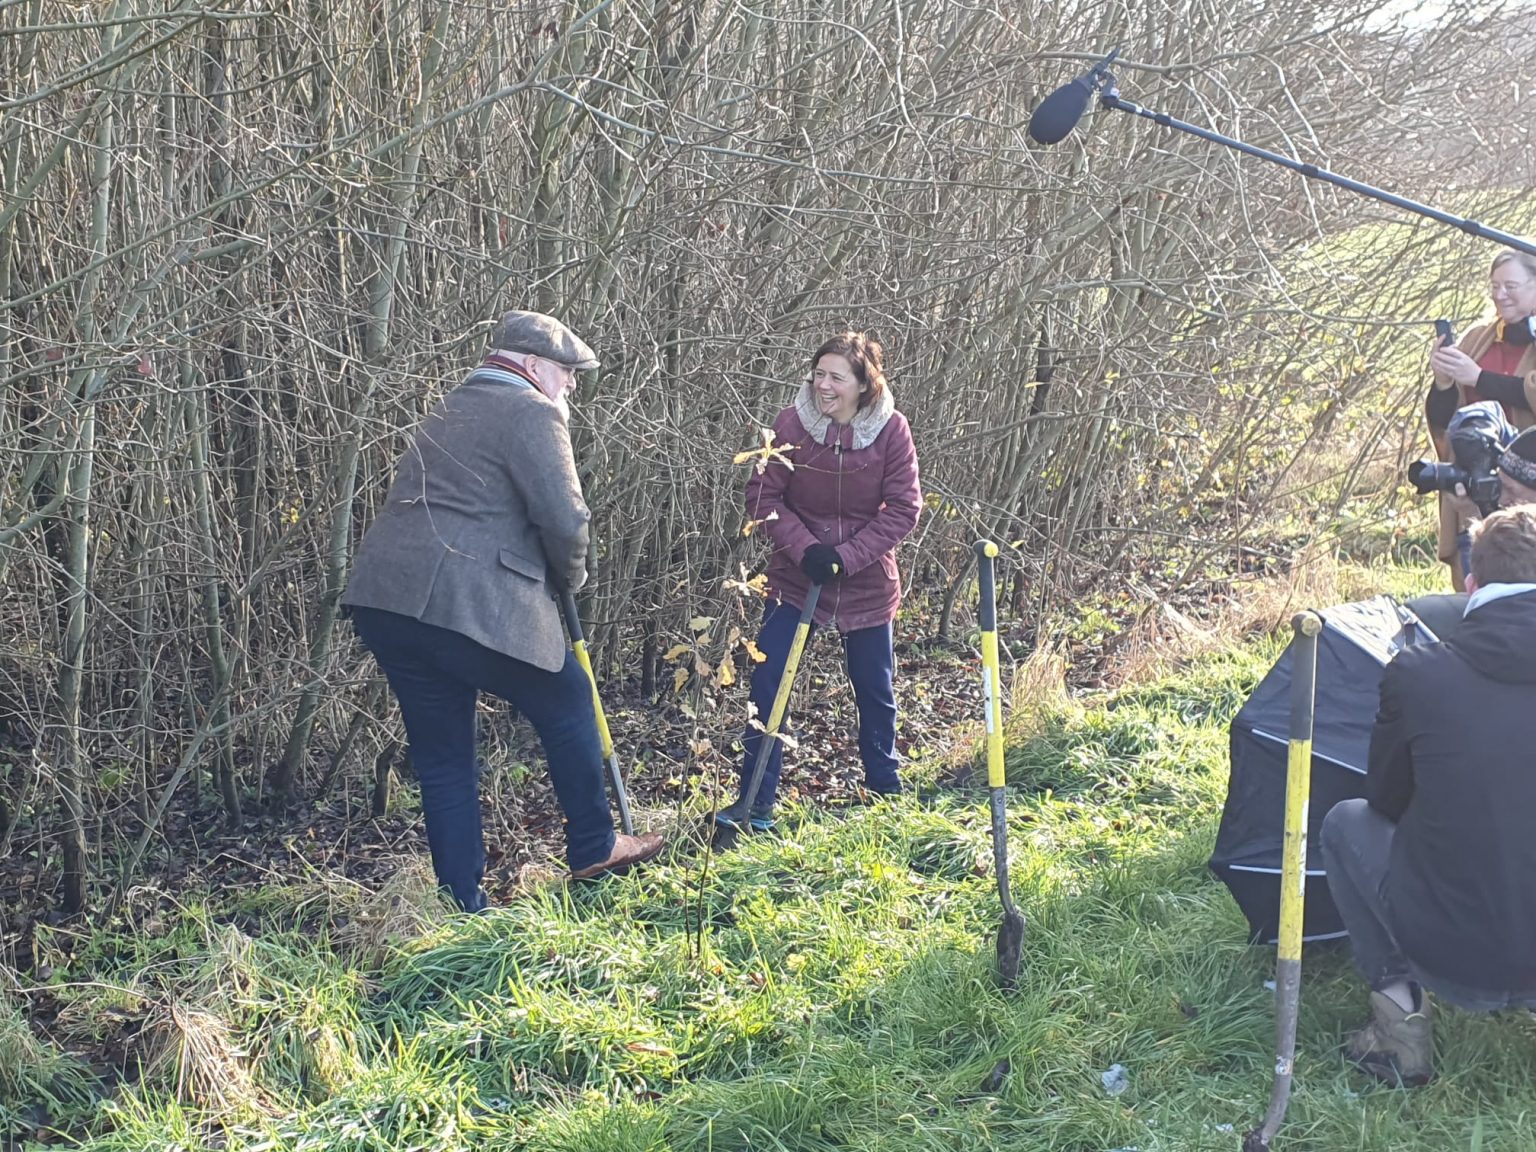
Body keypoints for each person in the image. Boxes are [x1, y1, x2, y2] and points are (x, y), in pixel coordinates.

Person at [342, 310, 664, 911]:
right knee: (567, 698)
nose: (571, 386)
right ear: (534, 366)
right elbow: (565, 519)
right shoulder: (531, 411)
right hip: (459, 602)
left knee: (443, 756)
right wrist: (571, 581)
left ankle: (464, 906)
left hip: (386, 600)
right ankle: (595, 844)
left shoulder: (452, 404)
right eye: (567, 373)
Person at [1320, 505, 1536, 1087]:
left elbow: (1384, 802)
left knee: (1346, 823)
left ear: (1471, 582)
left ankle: (1400, 1027)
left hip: (1455, 958)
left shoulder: (1417, 672)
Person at [717, 331, 922, 832]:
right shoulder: (790, 424)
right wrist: (806, 549)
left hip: (867, 580)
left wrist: (846, 556)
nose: (823, 385)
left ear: (864, 385)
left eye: (837, 377)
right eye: (819, 374)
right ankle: (754, 804)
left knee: (874, 687)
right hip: (794, 576)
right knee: (770, 686)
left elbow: (904, 509)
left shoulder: (892, 430)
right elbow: (762, 498)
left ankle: (885, 790)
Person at [1426, 249, 1536, 590]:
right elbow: (1446, 422)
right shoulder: (1479, 338)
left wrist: (1478, 378)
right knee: (1474, 594)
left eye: (1511, 286)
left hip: (1526, 496)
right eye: (1494, 286)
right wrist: (1444, 384)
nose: (1500, 294)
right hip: (1474, 491)